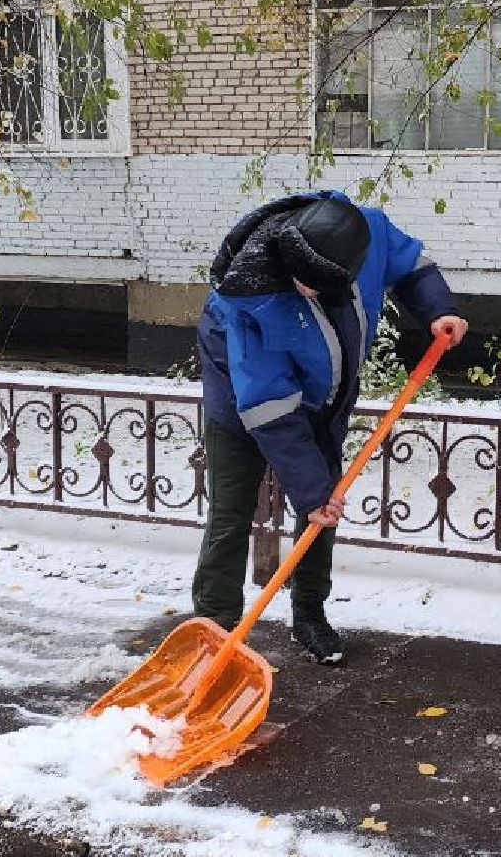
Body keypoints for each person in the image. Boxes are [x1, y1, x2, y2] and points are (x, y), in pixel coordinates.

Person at [193, 191, 468, 663]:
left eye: (317, 285)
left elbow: (412, 266)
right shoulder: (248, 296)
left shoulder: (368, 230)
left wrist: (437, 307)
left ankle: (310, 615)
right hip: (244, 403)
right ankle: (215, 631)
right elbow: (266, 402)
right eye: (301, 281)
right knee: (232, 513)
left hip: (324, 396)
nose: (306, 290)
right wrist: (310, 487)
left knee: (323, 509)